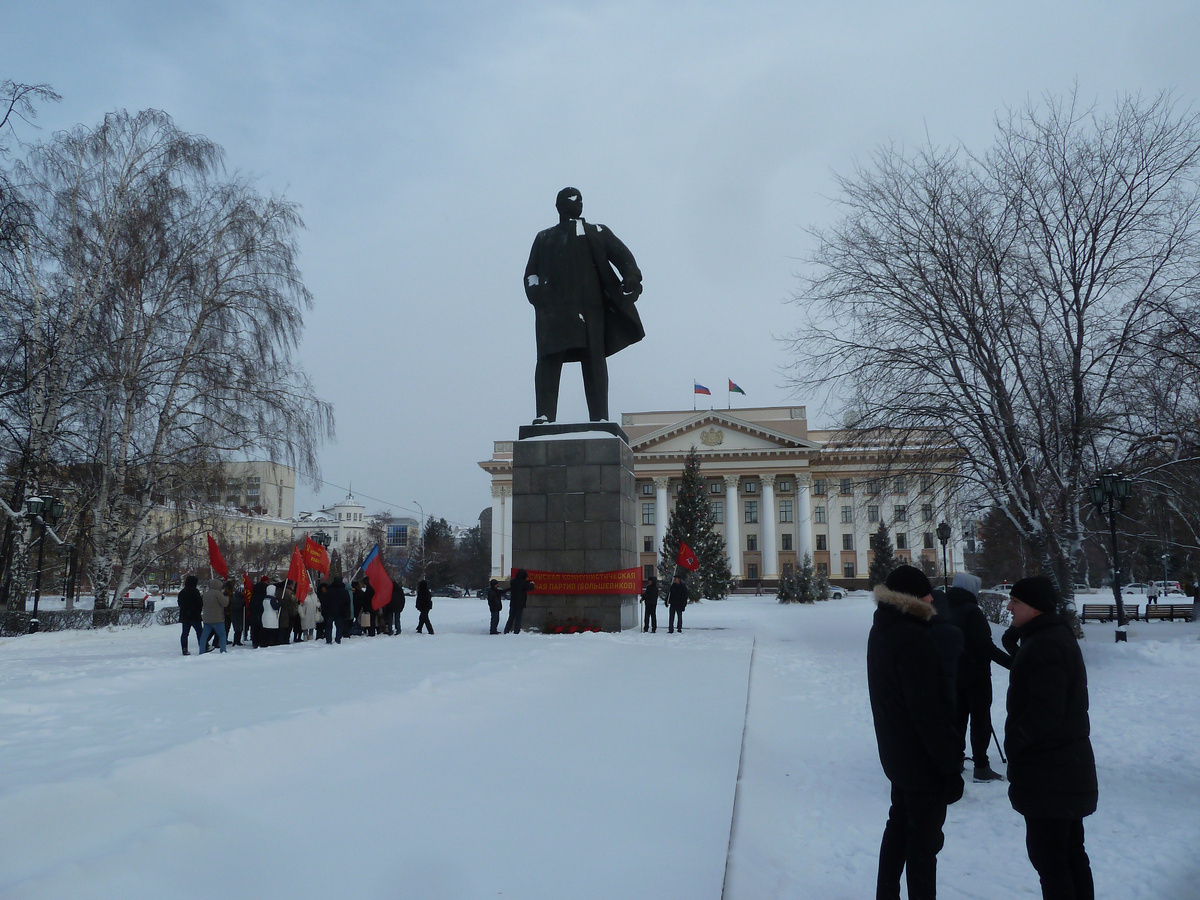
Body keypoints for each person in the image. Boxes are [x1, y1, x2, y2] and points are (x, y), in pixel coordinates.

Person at [867, 565, 964, 900]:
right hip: (921, 762)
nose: (932, 599)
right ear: (910, 599)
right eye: (926, 594)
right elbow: (929, 713)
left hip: (899, 754)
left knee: (899, 829)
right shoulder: (913, 638)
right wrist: (949, 767)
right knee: (923, 845)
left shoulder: (884, 627)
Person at [1003, 576, 1097, 900]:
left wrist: (1015, 742)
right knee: (1069, 855)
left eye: (1016, 601)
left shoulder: (1045, 644)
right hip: (1062, 770)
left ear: (1036, 608)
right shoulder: (1051, 636)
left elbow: (1046, 712)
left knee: (1053, 860)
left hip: (1051, 773)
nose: (1009, 606)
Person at [524, 187, 644, 423]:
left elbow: (624, 258)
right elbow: (531, 274)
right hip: (554, 312)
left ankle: (599, 418)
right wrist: (538, 295)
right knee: (549, 361)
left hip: (591, 311)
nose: (575, 202)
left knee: (594, 361)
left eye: (578, 199)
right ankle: (544, 415)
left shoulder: (596, 232)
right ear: (558, 206)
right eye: (569, 199)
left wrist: (631, 277)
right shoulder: (544, 238)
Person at [945, 572, 1011, 782]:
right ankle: (981, 766)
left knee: (958, 719)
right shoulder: (972, 611)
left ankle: (955, 760)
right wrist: (1014, 664)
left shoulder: (944, 608)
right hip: (976, 675)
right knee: (980, 719)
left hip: (954, 673)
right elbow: (986, 646)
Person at [199, 577, 229, 653]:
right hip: (217, 618)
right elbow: (225, 604)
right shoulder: (218, 593)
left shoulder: (206, 594)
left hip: (207, 618)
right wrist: (226, 597)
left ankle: (202, 650)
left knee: (204, 636)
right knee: (222, 635)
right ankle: (223, 650)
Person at [177, 575, 203, 656]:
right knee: (199, 632)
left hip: (184, 615)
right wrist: (198, 610)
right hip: (194, 615)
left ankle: (184, 648)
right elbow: (199, 603)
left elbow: (180, 603)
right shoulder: (195, 591)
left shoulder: (182, 592)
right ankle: (203, 647)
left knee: (185, 633)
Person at [322, 576, 350, 644]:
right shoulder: (345, 592)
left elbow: (324, 602)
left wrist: (324, 611)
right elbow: (347, 603)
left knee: (328, 626)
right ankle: (338, 639)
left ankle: (328, 640)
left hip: (330, 611)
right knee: (339, 626)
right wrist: (347, 612)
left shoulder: (329, 591)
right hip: (340, 612)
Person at [505, 569, 534, 634]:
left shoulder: (513, 581)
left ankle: (506, 630)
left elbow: (520, 583)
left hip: (513, 602)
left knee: (511, 618)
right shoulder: (523, 583)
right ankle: (516, 631)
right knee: (518, 618)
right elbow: (530, 588)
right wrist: (532, 584)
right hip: (520, 602)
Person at [227, 579, 245, 647]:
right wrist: (242, 604)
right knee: (238, 629)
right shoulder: (237, 599)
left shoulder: (238, 598)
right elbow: (236, 607)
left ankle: (237, 641)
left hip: (238, 616)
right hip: (236, 616)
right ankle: (236, 641)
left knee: (239, 629)